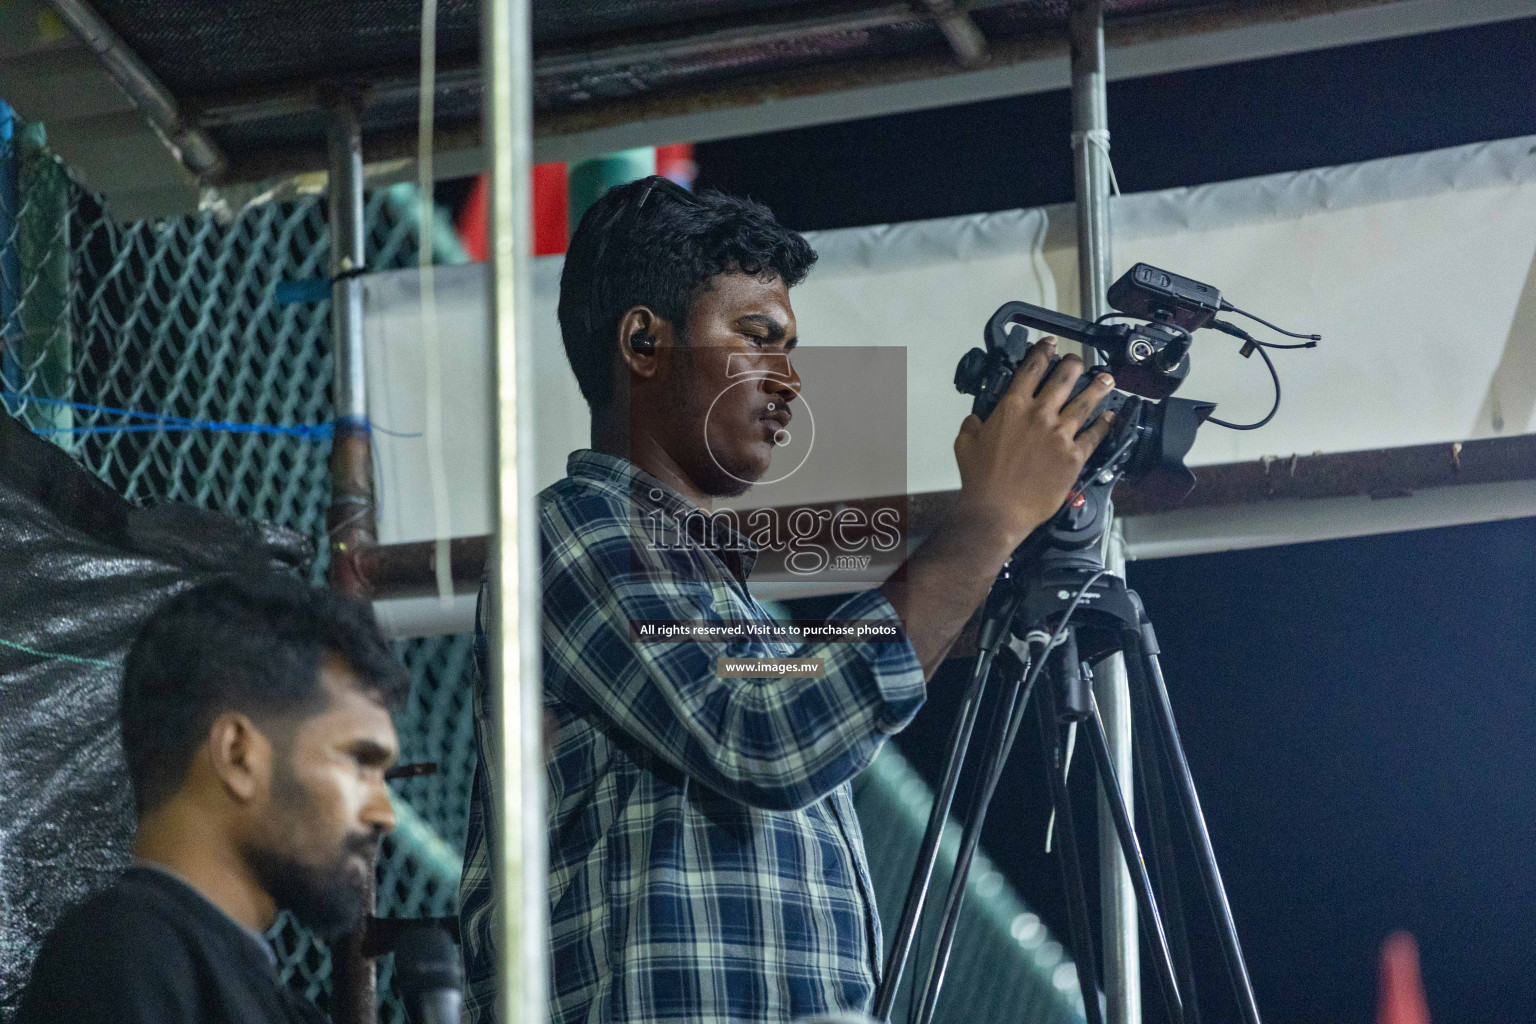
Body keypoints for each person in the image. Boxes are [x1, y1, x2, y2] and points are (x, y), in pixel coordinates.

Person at [458, 176, 1115, 1024]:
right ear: (644, 343)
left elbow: (796, 695)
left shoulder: (721, 597)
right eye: (757, 337)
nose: (790, 381)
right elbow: (765, 736)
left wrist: (1017, 545)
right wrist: (985, 521)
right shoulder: (573, 532)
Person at [18, 573, 409, 1024]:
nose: (384, 814)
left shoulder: (273, 1003)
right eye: (360, 762)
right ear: (237, 755)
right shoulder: (120, 955)